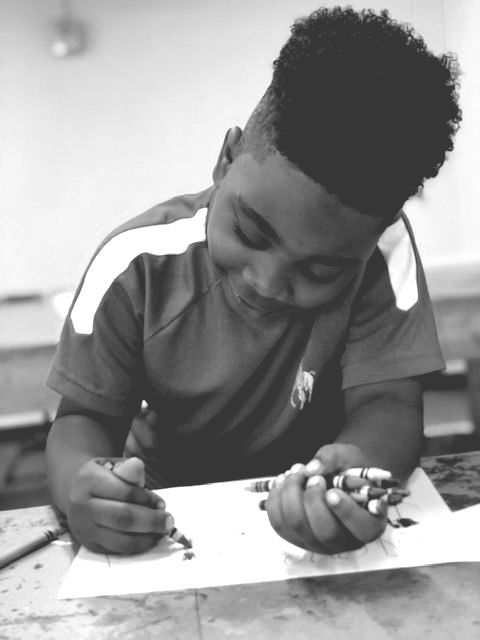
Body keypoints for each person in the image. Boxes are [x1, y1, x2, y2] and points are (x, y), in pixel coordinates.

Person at [45, 6, 461, 556]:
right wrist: (83, 487)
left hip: (312, 502)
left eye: (320, 271)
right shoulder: (135, 266)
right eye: (250, 231)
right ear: (226, 158)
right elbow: (83, 419)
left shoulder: (383, 255)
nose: (267, 282)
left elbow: (389, 403)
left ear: (377, 232)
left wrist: (358, 468)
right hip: (167, 519)